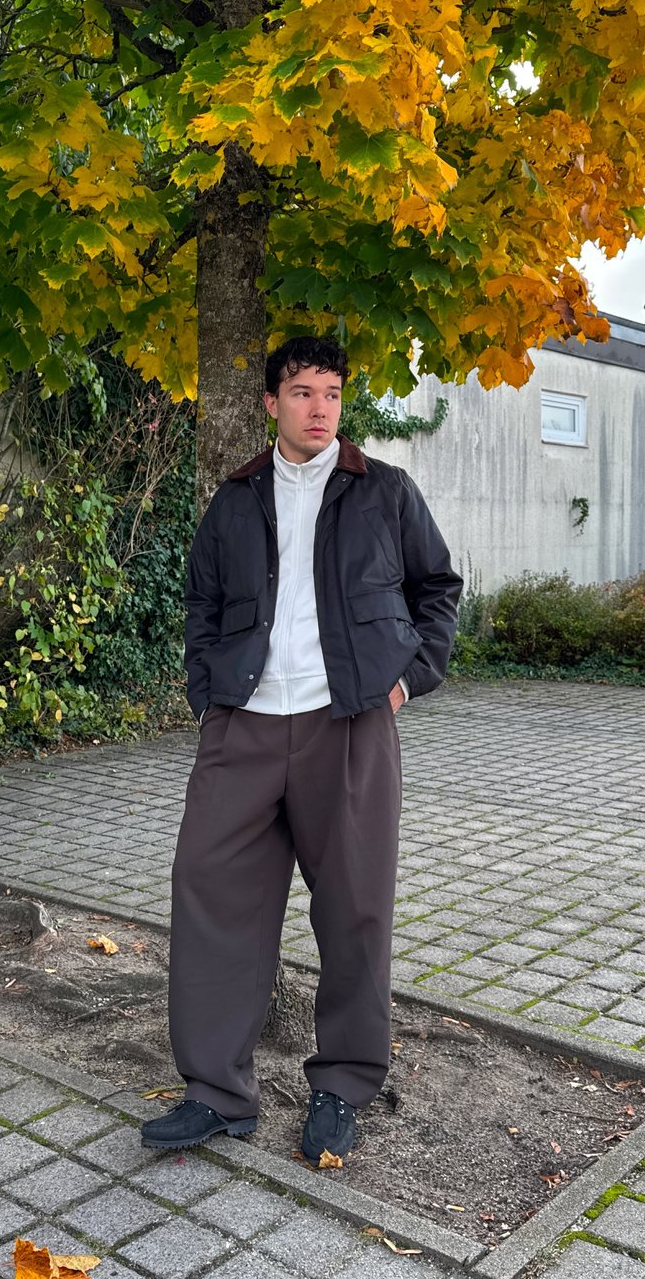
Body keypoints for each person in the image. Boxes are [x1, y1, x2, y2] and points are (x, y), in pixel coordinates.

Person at [141, 335, 462, 1165]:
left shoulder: (383, 492)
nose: (320, 408)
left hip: (348, 723)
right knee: (211, 891)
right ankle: (216, 1093)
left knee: (355, 907)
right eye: (303, 392)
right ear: (271, 402)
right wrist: (207, 690)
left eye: (331, 393)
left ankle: (342, 1086)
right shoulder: (236, 498)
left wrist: (406, 680)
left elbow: (439, 589)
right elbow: (202, 602)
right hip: (243, 723)